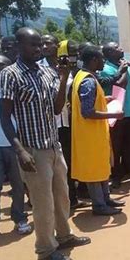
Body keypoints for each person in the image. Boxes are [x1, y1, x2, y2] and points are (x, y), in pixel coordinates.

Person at [0, 27, 90, 260]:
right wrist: (19, 149)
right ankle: (46, 249)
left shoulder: (46, 72)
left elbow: (58, 108)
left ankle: (64, 236)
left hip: (53, 145)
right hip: (32, 150)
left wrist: (62, 77)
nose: (39, 49)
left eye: (40, 45)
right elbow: (5, 117)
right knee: (43, 204)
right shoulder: (11, 75)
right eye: (33, 45)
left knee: (62, 197)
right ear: (19, 46)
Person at [71, 46, 125, 215]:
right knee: (94, 169)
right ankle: (99, 205)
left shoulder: (82, 76)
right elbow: (87, 112)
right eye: (101, 59)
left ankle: (106, 198)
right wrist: (113, 113)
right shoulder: (88, 81)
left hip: (93, 133)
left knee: (101, 165)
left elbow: (89, 102)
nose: (104, 62)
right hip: (90, 134)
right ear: (94, 60)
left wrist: (105, 99)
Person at [0, 55, 32, 239]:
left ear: (8, 67)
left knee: (18, 185)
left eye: (1, 64)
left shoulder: (17, 88)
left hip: (16, 144)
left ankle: (20, 218)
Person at [98, 42, 130, 189]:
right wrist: (124, 70)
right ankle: (116, 176)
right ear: (109, 53)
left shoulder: (126, 66)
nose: (121, 49)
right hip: (115, 115)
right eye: (116, 48)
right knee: (116, 147)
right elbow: (121, 84)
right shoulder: (105, 69)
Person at [39, 36, 81, 208]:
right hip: (50, 123)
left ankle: (72, 198)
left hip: (68, 122)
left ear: (57, 46)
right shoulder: (39, 68)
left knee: (69, 162)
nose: (45, 46)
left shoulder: (67, 67)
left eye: (48, 43)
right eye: (42, 43)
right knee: (52, 164)